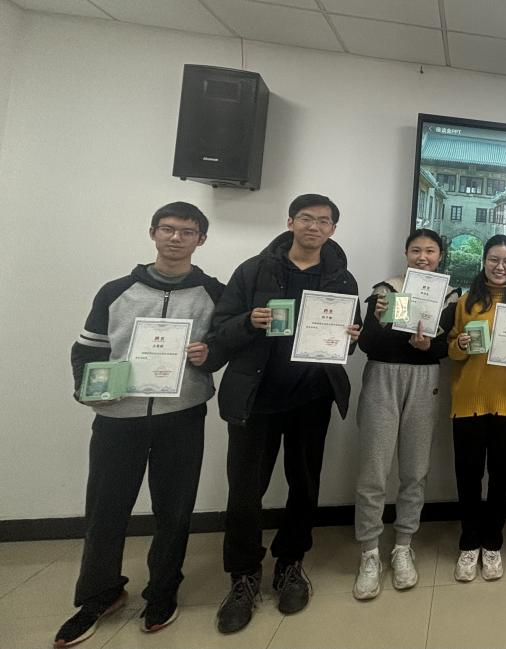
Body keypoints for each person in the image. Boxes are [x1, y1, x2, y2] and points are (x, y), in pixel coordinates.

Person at [56, 202, 223, 647]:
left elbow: (227, 345)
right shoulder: (116, 291)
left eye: (187, 232)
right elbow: (87, 351)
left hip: (182, 417)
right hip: (118, 419)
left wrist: (211, 354)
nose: (176, 238)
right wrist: (90, 391)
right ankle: (99, 595)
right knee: (105, 511)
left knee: (174, 510)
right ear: (153, 233)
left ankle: (162, 592)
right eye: (167, 229)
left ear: (201, 240)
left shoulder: (215, 292)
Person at [206, 194, 361, 633]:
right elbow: (220, 328)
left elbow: (348, 340)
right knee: (245, 490)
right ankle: (243, 576)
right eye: (306, 219)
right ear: (291, 222)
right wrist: (248, 322)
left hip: (311, 398)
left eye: (324, 221)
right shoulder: (253, 270)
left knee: (305, 484)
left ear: (333, 229)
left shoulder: (342, 279)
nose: (314, 227)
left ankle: (290, 563)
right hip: (256, 399)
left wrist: (351, 337)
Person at [352, 229, 460, 600]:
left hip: (425, 381)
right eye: (416, 250)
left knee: (415, 469)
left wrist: (428, 345)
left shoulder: (450, 296)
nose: (423, 257)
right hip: (382, 378)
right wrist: (383, 319)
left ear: (440, 256)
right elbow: (368, 344)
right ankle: (369, 552)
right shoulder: (386, 290)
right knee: (374, 469)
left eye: (430, 251)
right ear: (406, 253)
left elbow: (445, 347)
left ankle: (403, 545)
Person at [447, 234, 506, 582]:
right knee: (468, 477)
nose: (500, 266)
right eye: (494, 259)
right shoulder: (465, 302)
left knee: (502, 478)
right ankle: (469, 542)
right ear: (484, 261)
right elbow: (453, 350)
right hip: (468, 403)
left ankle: (492, 543)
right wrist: (459, 344)